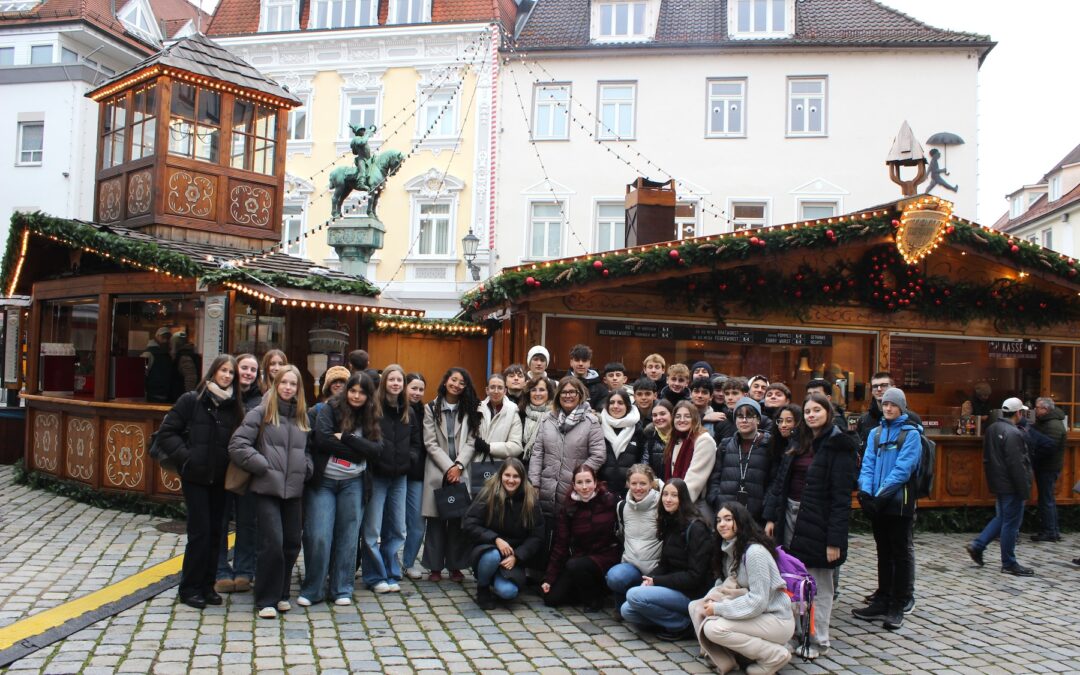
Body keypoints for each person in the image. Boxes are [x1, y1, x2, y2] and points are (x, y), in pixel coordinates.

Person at [761, 392, 858, 658]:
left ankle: (817, 639)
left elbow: (841, 499)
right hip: (790, 516)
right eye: (808, 411)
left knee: (819, 584)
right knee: (791, 581)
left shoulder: (840, 445)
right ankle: (794, 634)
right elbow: (781, 483)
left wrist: (835, 541)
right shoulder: (799, 441)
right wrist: (771, 517)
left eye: (817, 410)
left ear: (828, 412)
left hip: (819, 521)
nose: (812, 415)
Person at [156, 354, 244, 609]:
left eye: (231, 373)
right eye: (224, 371)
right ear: (213, 372)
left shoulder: (234, 406)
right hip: (196, 477)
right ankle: (190, 587)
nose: (227, 376)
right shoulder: (191, 401)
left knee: (217, 533)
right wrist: (187, 458)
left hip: (220, 479)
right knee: (200, 533)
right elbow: (167, 433)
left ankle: (207, 585)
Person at [229, 365, 314, 619]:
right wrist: (262, 465)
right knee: (272, 544)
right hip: (267, 488)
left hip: (294, 491)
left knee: (291, 543)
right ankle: (266, 598)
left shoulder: (302, 417)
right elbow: (238, 444)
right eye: (284, 383)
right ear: (276, 385)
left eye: (293, 384)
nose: (288, 388)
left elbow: (307, 450)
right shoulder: (262, 412)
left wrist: (306, 468)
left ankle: (283, 593)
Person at [301, 372, 380, 606]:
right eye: (353, 391)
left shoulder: (371, 416)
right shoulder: (329, 409)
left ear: (368, 396)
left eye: (362, 392)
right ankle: (313, 589)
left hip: (353, 483)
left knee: (348, 536)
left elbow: (376, 450)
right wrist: (358, 451)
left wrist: (345, 438)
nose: (356, 396)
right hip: (324, 481)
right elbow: (323, 439)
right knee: (319, 535)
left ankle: (342, 588)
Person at [690, 502, 794, 675]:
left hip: (776, 618)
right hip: (759, 615)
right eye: (718, 520)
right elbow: (725, 583)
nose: (722, 524)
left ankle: (774, 655)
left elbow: (758, 601)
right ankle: (733, 657)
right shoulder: (730, 548)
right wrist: (709, 599)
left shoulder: (755, 553)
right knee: (695, 606)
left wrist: (719, 608)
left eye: (728, 519)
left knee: (713, 628)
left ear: (740, 521)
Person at [853, 387, 921, 630]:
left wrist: (880, 496)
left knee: (899, 554)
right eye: (885, 404)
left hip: (898, 504)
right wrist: (865, 492)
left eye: (893, 404)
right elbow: (868, 463)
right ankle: (882, 598)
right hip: (878, 503)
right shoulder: (875, 433)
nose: (888, 408)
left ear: (902, 407)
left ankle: (897, 604)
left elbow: (903, 470)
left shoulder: (910, 434)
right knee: (883, 552)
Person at [621, 478, 714, 641]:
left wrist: (657, 581)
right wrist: (649, 580)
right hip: (674, 587)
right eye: (665, 494)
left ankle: (683, 625)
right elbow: (665, 564)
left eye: (674, 495)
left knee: (634, 596)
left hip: (691, 594)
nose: (668, 499)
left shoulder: (696, 528)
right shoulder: (670, 522)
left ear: (682, 499)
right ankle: (671, 622)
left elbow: (695, 577)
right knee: (627, 610)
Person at [362, 365, 422, 593]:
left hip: (400, 477)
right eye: (392, 380)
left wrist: (409, 460)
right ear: (384, 382)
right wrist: (377, 461)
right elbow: (367, 439)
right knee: (372, 529)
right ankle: (374, 576)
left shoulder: (409, 412)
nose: (396, 384)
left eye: (399, 380)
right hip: (378, 476)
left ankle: (391, 571)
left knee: (397, 528)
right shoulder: (373, 409)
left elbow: (416, 442)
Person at [421, 367, 481, 582]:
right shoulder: (430, 408)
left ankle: (457, 566)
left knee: (458, 520)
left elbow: (472, 441)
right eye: (453, 380)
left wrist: (459, 466)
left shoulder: (471, 409)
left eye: (461, 382)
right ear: (446, 381)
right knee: (436, 522)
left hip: (462, 471)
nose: (456, 385)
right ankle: (434, 567)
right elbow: (430, 443)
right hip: (438, 470)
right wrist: (449, 468)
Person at [965, 397, 1035, 577]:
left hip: (999, 481)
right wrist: (1024, 489)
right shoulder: (1014, 433)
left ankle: (978, 545)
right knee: (1011, 523)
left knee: (1002, 518)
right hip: (1011, 484)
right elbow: (1017, 464)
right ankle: (1008, 562)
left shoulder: (993, 428)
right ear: (1018, 413)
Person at [528, 376, 606, 535]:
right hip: (546, 488)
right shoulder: (547, 420)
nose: (568, 395)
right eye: (564, 392)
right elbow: (537, 453)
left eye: (572, 392)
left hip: (574, 491)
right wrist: (534, 483)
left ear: (580, 394)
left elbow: (598, 455)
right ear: (558, 395)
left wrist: (578, 479)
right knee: (545, 536)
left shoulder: (591, 422)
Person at [464, 458, 545, 609]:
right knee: (492, 556)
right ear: (501, 475)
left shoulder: (530, 500)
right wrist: (495, 539)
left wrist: (517, 556)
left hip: (512, 557)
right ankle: (483, 587)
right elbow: (469, 523)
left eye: (516, 476)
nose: (511, 480)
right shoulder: (488, 494)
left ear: (522, 478)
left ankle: (495, 577)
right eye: (507, 475)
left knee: (508, 592)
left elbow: (537, 536)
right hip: (488, 549)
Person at [541, 464, 620, 610]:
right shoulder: (569, 508)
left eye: (588, 481)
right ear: (574, 485)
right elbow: (561, 544)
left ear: (595, 482)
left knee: (575, 565)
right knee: (551, 598)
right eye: (580, 482)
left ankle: (594, 599)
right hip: (582, 558)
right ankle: (590, 591)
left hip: (606, 556)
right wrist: (549, 578)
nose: (584, 487)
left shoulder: (609, 501)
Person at [214, 353, 261, 595]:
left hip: (247, 469)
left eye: (253, 370)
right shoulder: (221, 397)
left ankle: (244, 570)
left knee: (247, 521)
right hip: (220, 467)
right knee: (220, 521)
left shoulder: (261, 400)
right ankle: (220, 570)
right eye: (244, 368)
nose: (248, 373)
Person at [606, 464, 662, 613]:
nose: (638, 488)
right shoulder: (622, 507)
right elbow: (622, 534)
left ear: (651, 484)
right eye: (634, 483)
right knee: (614, 577)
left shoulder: (662, 506)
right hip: (631, 565)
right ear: (628, 484)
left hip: (656, 568)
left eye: (643, 483)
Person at [707, 397, 773, 524]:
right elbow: (715, 477)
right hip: (726, 512)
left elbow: (774, 481)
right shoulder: (725, 445)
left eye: (749, 416)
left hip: (756, 515)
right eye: (739, 416)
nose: (744, 420)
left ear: (758, 419)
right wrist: (716, 500)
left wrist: (765, 507)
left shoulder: (769, 444)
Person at [659, 401, 717, 522]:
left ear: (695, 418)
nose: (682, 420)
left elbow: (695, 480)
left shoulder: (703, 440)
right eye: (678, 416)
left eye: (687, 416)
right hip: (674, 503)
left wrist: (675, 505)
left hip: (692, 505)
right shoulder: (675, 439)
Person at [402, 373, 428, 580]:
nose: (417, 393)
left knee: (418, 524)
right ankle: (390, 562)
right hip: (395, 473)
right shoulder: (395, 409)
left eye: (420, 389)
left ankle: (408, 562)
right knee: (392, 524)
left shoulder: (426, 412)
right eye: (413, 388)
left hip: (418, 475)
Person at [1031, 397, 1066, 543]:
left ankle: (1050, 531)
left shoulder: (1053, 425)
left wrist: (1034, 455)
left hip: (1048, 466)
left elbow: (1049, 447)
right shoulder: (1045, 422)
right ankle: (1051, 530)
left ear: (1046, 409)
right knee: (1047, 498)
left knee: (1046, 499)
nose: (1035, 410)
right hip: (1046, 466)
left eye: (1038, 407)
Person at [598, 390, 644, 498]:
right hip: (603, 492)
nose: (615, 406)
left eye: (620, 403)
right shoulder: (597, 426)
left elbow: (641, 460)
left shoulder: (637, 429)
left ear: (627, 406)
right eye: (612, 402)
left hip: (631, 492)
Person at [477, 373, 524, 465]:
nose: (496, 391)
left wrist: (489, 447)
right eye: (492, 387)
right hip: (477, 463)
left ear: (505, 391)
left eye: (500, 388)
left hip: (500, 466)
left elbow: (516, 446)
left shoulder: (512, 411)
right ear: (487, 390)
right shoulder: (477, 409)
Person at [520, 376, 554, 462]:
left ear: (548, 393)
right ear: (528, 393)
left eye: (542, 390)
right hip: (523, 466)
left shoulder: (556, 416)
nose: (537, 393)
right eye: (533, 390)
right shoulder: (520, 414)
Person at [567, 343, 608, 410]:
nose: (581, 364)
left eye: (584, 360)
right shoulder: (562, 384)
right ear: (571, 362)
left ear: (589, 363)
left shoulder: (601, 388)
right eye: (577, 360)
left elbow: (601, 410)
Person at [643, 400, 674, 479]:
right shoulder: (650, 438)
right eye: (655, 415)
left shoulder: (681, 437)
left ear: (672, 414)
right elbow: (645, 465)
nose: (658, 418)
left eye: (662, 414)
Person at [143, 327, 174, 403]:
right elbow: (141, 375)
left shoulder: (167, 354)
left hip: (165, 396)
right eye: (163, 337)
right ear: (157, 337)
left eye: (168, 338)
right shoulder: (148, 354)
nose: (166, 340)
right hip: (152, 396)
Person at [170, 332, 202, 399]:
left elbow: (191, 378)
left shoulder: (185, 356)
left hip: (184, 398)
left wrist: (189, 398)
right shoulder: (189, 353)